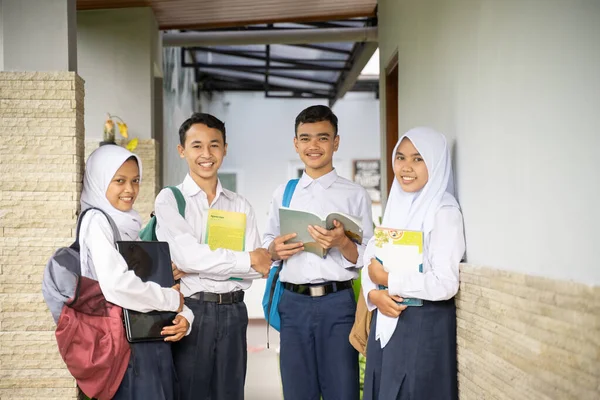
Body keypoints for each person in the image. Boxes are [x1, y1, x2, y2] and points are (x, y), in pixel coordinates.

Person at [154, 112, 272, 400]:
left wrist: (199, 264)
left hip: (234, 312)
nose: (206, 154)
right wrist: (242, 260)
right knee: (191, 393)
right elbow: (186, 256)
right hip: (193, 312)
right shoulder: (170, 199)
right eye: (196, 145)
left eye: (214, 145)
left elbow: (259, 269)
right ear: (182, 150)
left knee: (231, 394)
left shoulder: (240, 205)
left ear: (225, 149)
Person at [263, 105, 374, 400]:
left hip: (338, 303)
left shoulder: (355, 194)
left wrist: (342, 243)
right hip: (293, 303)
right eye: (306, 138)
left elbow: (369, 255)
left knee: (342, 390)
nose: (314, 146)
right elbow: (268, 246)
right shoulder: (283, 193)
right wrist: (275, 249)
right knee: (298, 391)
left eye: (323, 138)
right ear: (296, 144)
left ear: (336, 142)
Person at [79, 144, 192, 400]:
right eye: (119, 181)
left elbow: (144, 279)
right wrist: (171, 300)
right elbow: (117, 284)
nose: (130, 190)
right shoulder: (97, 221)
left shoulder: (128, 222)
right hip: (124, 347)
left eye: (135, 180)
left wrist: (183, 312)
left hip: (146, 340)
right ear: (99, 180)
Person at [361, 127, 465, 400]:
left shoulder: (443, 211)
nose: (407, 167)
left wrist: (387, 280)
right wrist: (374, 294)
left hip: (422, 328)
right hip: (387, 323)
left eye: (418, 159)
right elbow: (370, 258)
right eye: (401, 157)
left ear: (436, 162)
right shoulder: (397, 202)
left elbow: (445, 283)